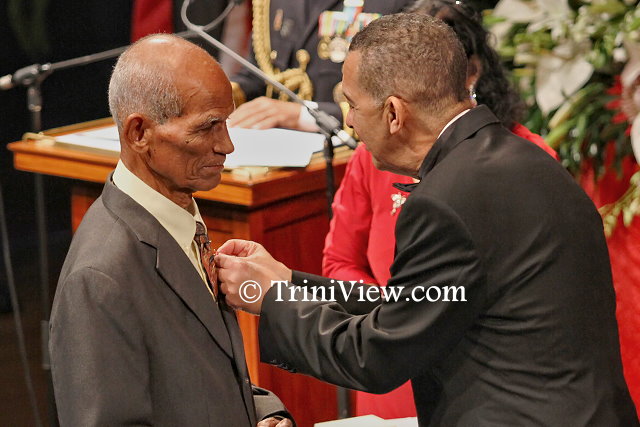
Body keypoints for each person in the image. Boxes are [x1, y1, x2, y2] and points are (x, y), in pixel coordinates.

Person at [215, 13, 639, 426]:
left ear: (394, 114)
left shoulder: (446, 200)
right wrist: (289, 283)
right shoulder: (526, 158)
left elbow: (376, 354)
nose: (347, 120)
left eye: (352, 103)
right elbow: (414, 302)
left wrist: (265, 297)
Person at [321, 0, 558, 419]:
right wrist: (398, 314)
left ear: (471, 72)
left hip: (476, 385)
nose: (352, 122)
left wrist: (411, 316)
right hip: (390, 364)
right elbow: (340, 262)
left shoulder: (527, 159)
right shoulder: (374, 155)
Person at [49, 34, 292, 427]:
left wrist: (266, 413)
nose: (227, 145)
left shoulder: (180, 221)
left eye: (226, 122)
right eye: (207, 127)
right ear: (139, 133)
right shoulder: (100, 279)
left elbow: (199, 377)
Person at [228, 0, 412, 131]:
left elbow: (409, 101)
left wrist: (301, 115)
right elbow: (260, 72)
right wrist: (225, 94)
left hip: (354, 151)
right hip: (277, 146)